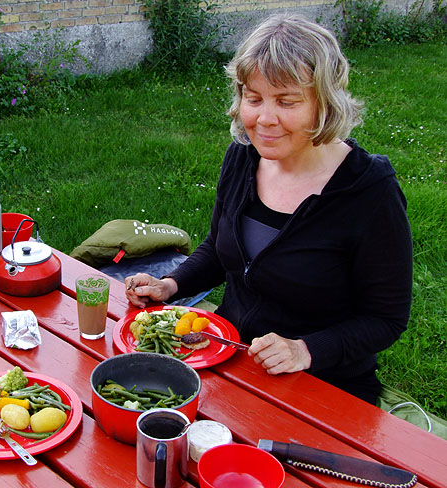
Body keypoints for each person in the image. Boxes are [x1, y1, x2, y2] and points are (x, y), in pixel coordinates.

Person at [124, 13, 413, 405]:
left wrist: (304, 350)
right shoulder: (243, 157)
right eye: (253, 98)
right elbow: (218, 249)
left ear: (325, 104)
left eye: (286, 102)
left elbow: (385, 319)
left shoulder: (370, 192)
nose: (264, 119)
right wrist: (171, 285)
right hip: (229, 357)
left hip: (323, 385)